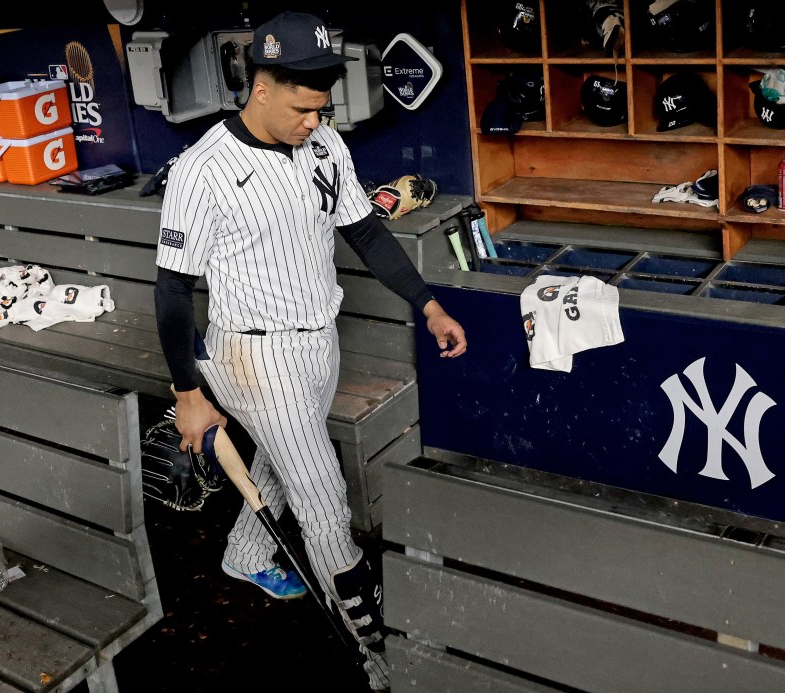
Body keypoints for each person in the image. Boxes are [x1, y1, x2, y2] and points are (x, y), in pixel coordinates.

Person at [153, 10, 466, 690]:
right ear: (259, 86)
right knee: (324, 499)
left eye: (322, 107)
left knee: (283, 455)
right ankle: (374, 650)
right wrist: (188, 396)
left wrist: (429, 303)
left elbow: (369, 235)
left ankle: (243, 553)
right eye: (302, 108)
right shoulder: (203, 170)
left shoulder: (325, 145)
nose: (314, 121)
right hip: (254, 357)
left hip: (318, 341)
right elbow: (172, 289)